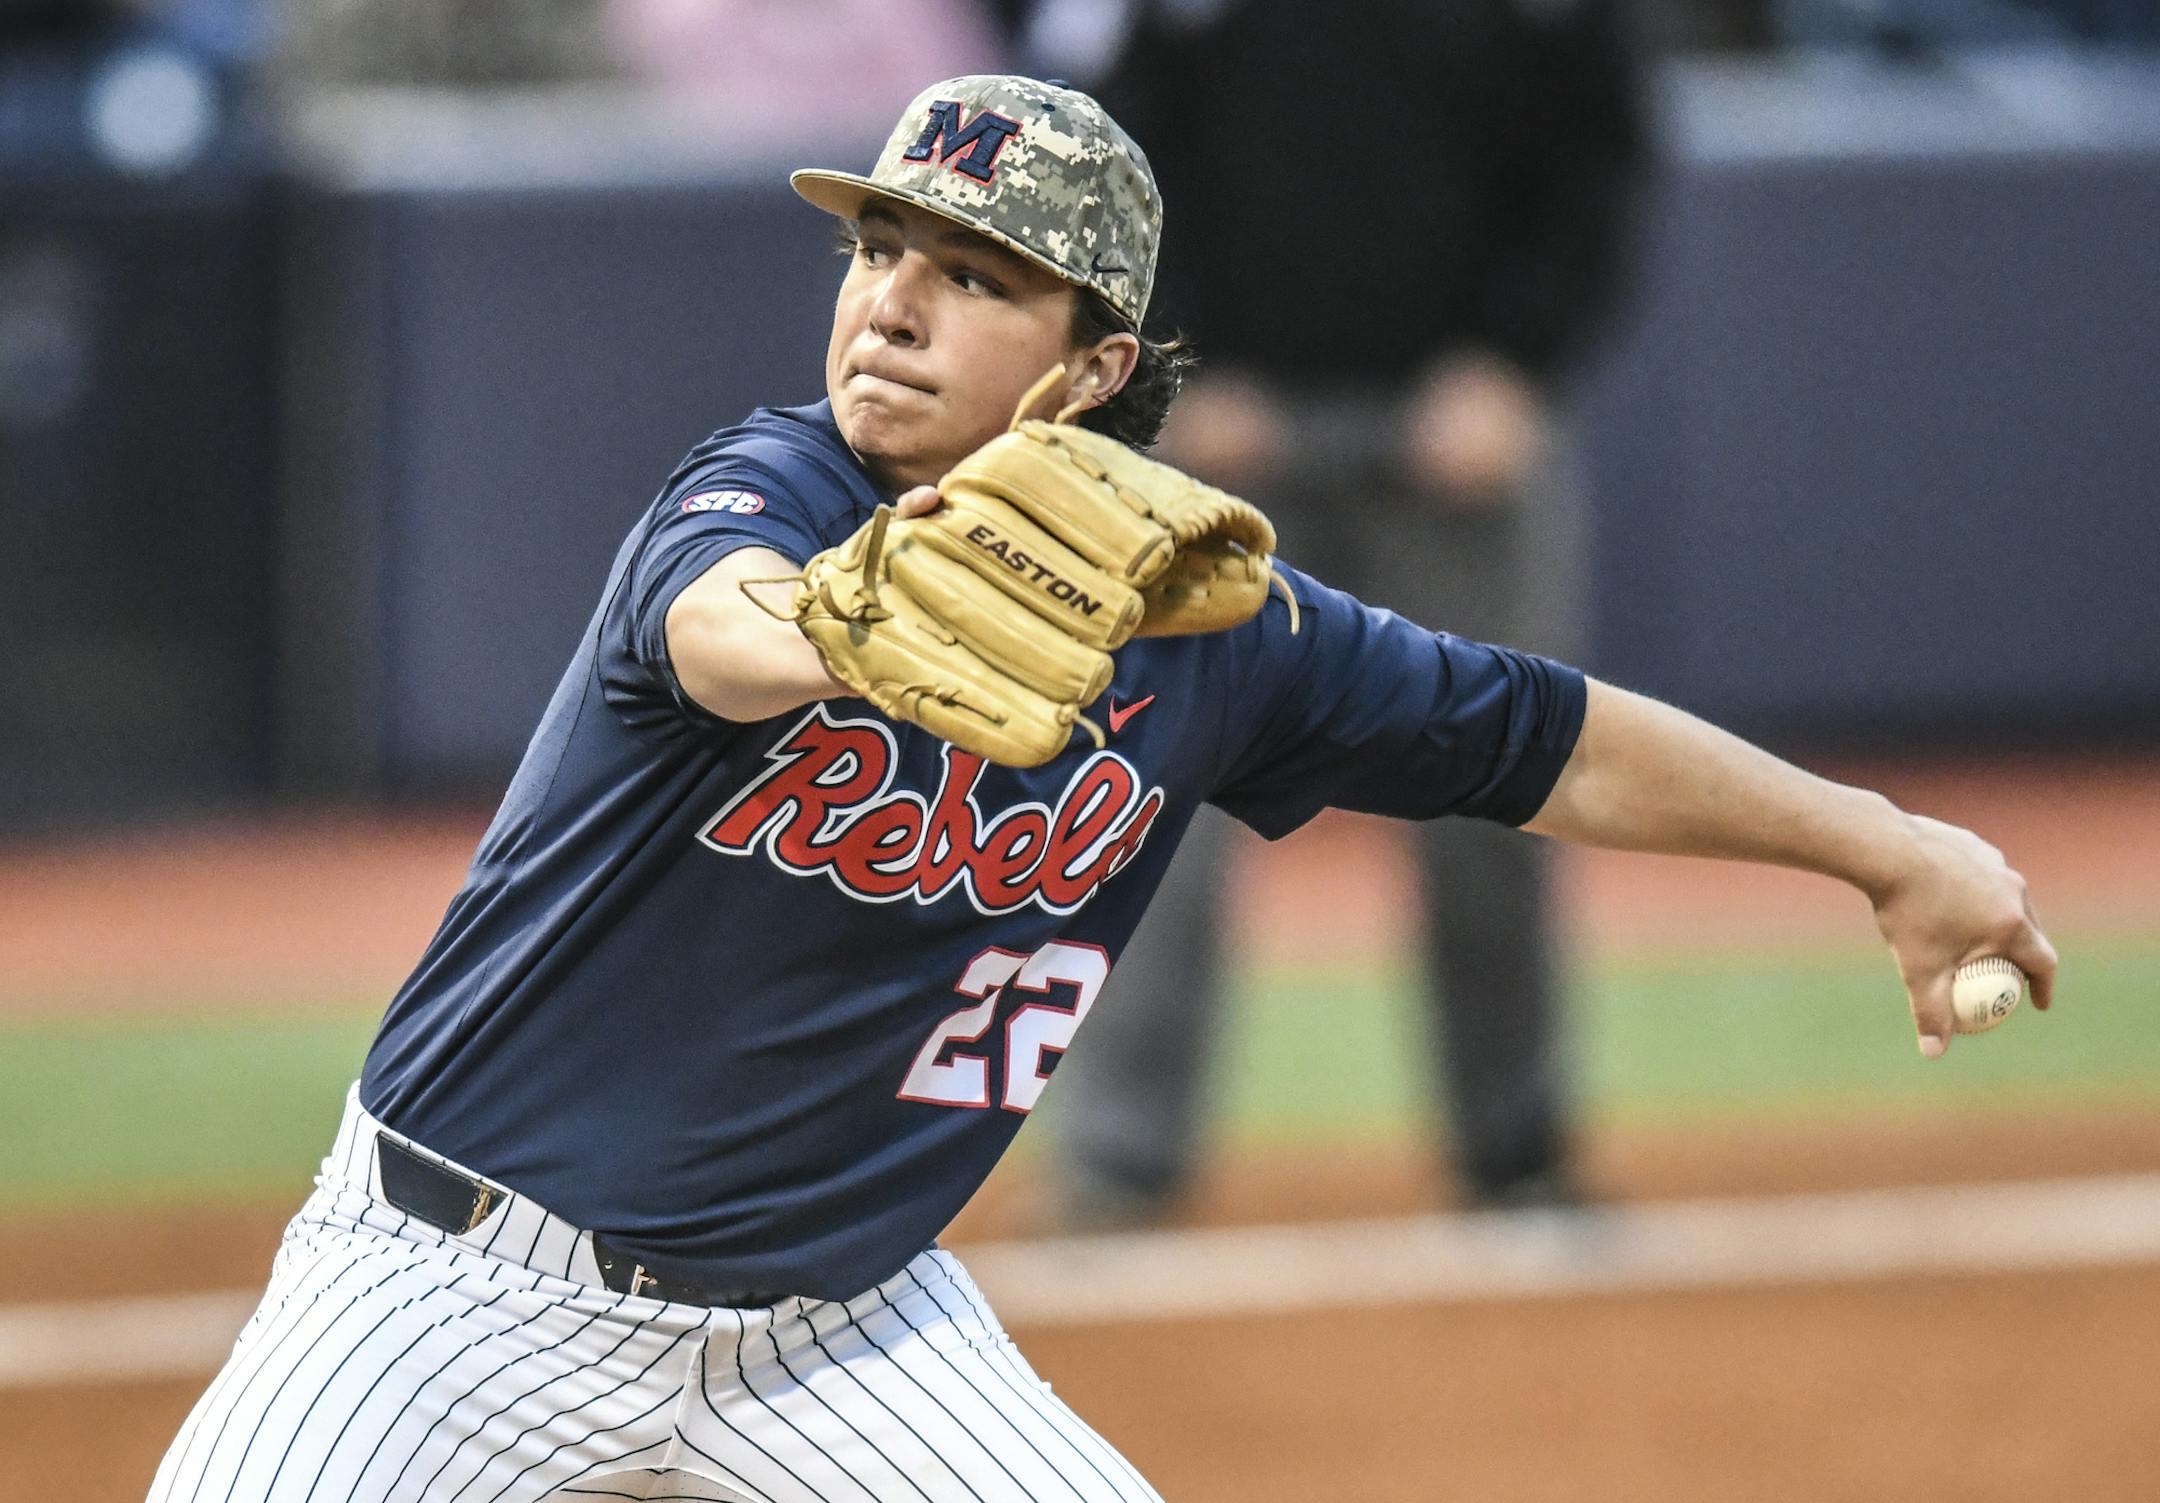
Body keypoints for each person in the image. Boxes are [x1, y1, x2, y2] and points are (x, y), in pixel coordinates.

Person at [149, 74, 2056, 1503]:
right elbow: (723, 629)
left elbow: (1540, 736)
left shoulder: (1216, 621)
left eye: (970, 276)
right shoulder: (769, 495)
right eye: (878, 249)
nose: (890, 301)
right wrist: (851, 625)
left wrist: (1887, 846)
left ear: (1092, 367)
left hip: (836, 1330)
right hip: (443, 1292)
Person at [1050, 0, 1647, 1220]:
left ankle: (1516, 1152)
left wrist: (1515, 363)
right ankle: (1118, 1163)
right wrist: (1171, 368)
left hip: (1462, 442)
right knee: (1147, 798)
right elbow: (1111, 163)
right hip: (1227, 447)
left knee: (1505, 790)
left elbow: (1600, 162)